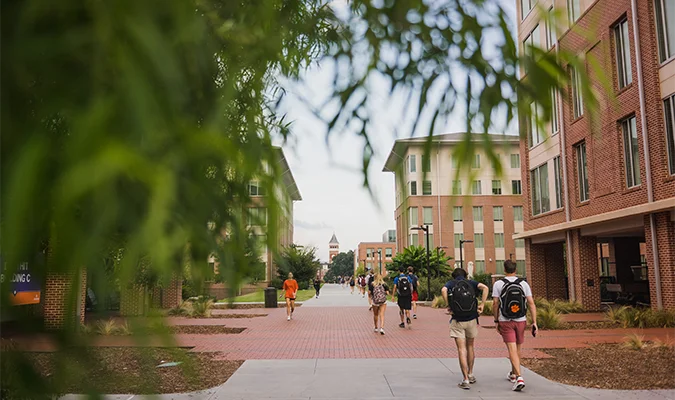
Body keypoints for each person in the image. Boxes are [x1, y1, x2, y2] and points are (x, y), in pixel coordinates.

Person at [492, 260, 537, 392]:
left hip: (506, 320)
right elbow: (531, 303)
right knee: (517, 348)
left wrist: (496, 320)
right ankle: (513, 373)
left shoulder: (499, 284)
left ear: (504, 269)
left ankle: (519, 377)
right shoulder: (523, 284)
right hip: (521, 319)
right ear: (515, 269)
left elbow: (495, 304)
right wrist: (534, 322)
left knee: (511, 349)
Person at [441, 268, 489, 390]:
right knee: (470, 347)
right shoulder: (471, 283)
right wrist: (482, 304)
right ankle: (471, 373)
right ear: (465, 275)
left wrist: (448, 305)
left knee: (461, 349)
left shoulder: (451, 284)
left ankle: (465, 379)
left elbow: (443, 290)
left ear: (454, 276)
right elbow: (485, 288)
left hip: (457, 320)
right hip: (472, 319)